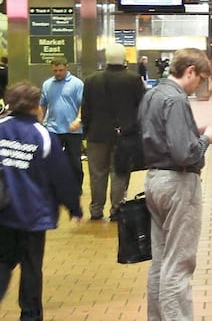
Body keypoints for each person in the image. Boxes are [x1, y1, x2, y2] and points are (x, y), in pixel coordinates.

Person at [138, 48, 212, 320]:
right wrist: (206, 139)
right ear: (189, 71)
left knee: (161, 260)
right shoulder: (176, 100)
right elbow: (184, 154)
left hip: (155, 180)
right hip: (177, 183)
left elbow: (159, 135)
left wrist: (192, 133)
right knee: (179, 263)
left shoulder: (152, 93)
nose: (199, 85)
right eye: (199, 78)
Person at [0, 81, 83, 320]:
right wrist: (74, 206)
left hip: (3, 212)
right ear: (36, 106)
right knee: (31, 267)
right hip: (32, 215)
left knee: (3, 261)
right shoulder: (42, 136)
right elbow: (60, 176)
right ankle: (30, 315)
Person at [82, 44, 146, 221]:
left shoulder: (91, 80)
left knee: (97, 174)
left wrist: (85, 133)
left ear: (106, 58)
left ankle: (96, 210)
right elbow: (141, 108)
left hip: (96, 135)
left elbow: (86, 110)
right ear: (123, 58)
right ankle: (117, 210)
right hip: (124, 135)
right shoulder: (133, 80)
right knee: (119, 172)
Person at [39, 57, 84, 192]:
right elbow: (42, 105)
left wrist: (78, 120)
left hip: (73, 130)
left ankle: (76, 187)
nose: (58, 73)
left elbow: (83, 105)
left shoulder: (77, 84)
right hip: (53, 128)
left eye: (61, 70)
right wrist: (39, 124)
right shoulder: (47, 84)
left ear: (67, 68)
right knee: (53, 160)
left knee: (74, 161)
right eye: (55, 70)